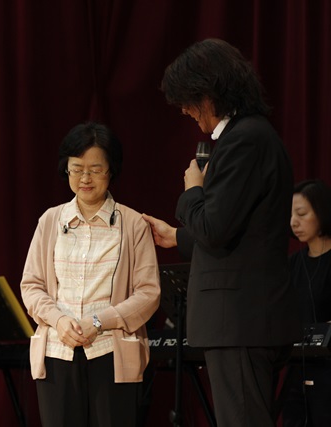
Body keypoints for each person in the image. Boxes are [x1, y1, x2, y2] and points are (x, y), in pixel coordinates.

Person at [141, 38, 301, 427]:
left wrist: (192, 190)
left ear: (210, 92)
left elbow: (214, 227)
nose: (184, 110)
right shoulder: (250, 136)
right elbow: (239, 230)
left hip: (240, 321)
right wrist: (176, 237)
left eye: (188, 100)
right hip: (245, 320)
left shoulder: (244, 139)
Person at [20, 121, 160, 427]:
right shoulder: (50, 220)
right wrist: (59, 320)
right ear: (66, 169)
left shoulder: (132, 224)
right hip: (57, 351)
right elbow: (31, 285)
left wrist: (99, 321)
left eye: (95, 169)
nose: (85, 178)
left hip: (112, 353)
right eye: (77, 169)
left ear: (111, 171)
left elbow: (148, 293)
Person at [282, 179, 331, 427]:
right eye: (291, 215)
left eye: (301, 214)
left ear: (322, 213)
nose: (293, 222)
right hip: (297, 371)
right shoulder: (292, 264)